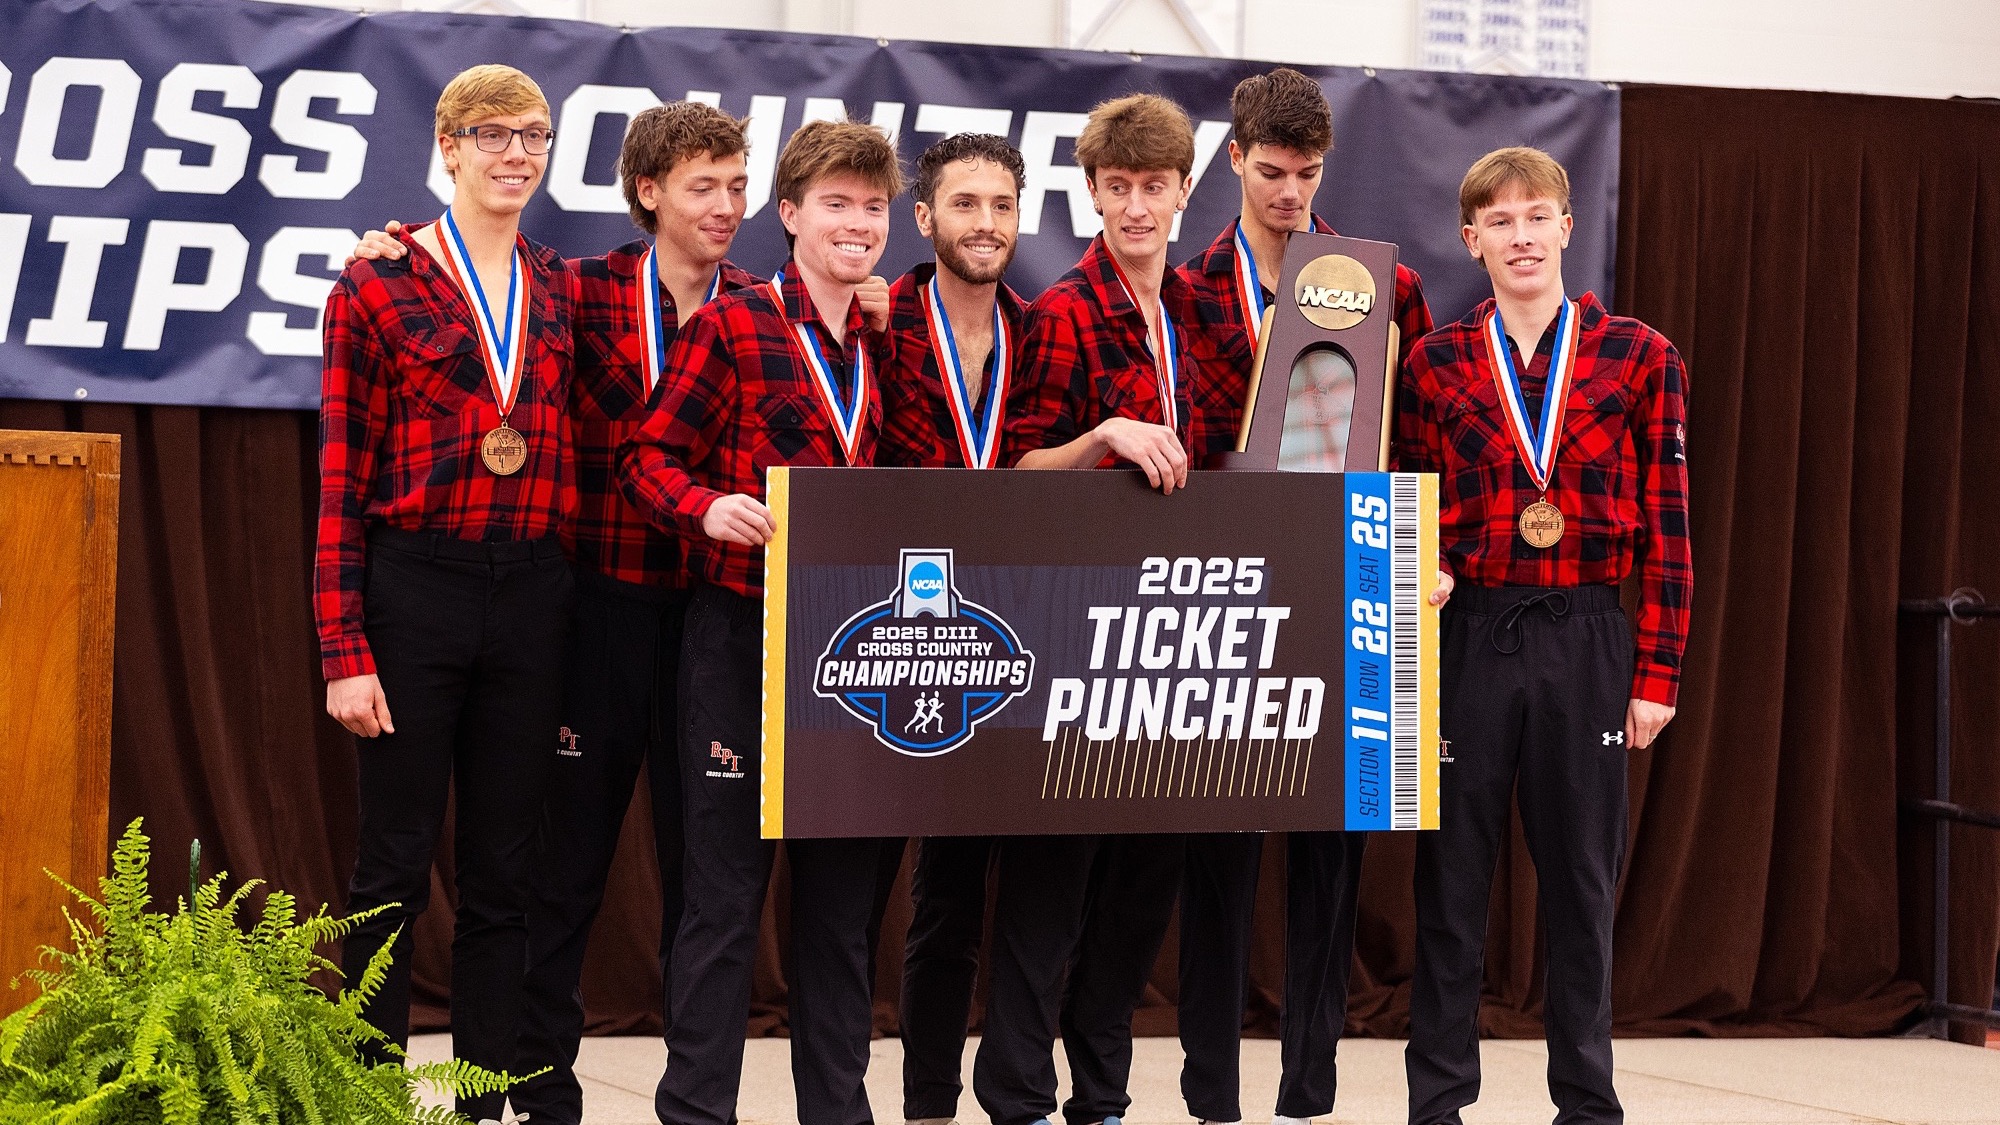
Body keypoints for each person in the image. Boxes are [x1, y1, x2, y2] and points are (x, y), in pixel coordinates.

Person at [1393, 145, 1691, 1125]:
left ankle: (1586, 1105)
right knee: (1450, 886)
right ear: (1468, 238)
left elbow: (1671, 529)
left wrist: (1654, 674)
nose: (1519, 237)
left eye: (1537, 218)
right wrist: (1420, 566)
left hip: (1588, 633)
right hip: (1470, 634)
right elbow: (1405, 504)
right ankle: (1436, 1103)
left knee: (1578, 887)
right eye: (1498, 221)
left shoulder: (1641, 357)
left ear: (1566, 228)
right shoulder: (1434, 362)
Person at [620, 117, 902, 1125]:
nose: (857, 224)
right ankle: (696, 1111)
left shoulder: (884, 335)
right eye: (835, 203)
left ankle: (838, 1110)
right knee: (723, 900)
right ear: (788, 215)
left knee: (838, 913)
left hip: (850, 661)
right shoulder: (734, 326)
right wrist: (704, 508)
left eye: (873, 207)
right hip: (739, 645)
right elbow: (646, 459)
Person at [1172, 67, 1434, 1125]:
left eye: (1307, 173)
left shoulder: (1380, 286)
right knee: (1216, 864)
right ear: (1232, 161)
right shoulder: (1188, 289)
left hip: (1344, 591)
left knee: (1332, 858)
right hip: (1226, 597)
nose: (1288, 192)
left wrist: (1418, 558)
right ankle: (1209, 1097)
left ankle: (1307, 1096)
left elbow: (1407, 445)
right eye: (1270, 171)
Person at [315, 63, 575, 1124]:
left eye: (534, 136)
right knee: (390, 866)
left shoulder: (563, 286)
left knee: (505, 871)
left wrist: (868, 295)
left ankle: (478, 1100)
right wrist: (343, 649)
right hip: (412, 592)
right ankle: (363, 1094)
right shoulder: (372, 284)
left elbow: (699, 298)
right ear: (448, 146)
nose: (517, 153)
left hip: (534, 600)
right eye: (493, 133)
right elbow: (337, 482)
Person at [976, 92, 1213, 1125]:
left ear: (1182, 191)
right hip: (1073, 636)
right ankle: (1019, 1094)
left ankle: (1101, 1098)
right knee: (1047, 887)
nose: (1133, 207)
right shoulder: (1062, 312)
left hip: (1174, 636)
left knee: (1138, 893)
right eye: (1115, 188)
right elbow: (1015, 470)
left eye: (1152, 188)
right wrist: (1104, 434)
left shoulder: (1206, 311)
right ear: (1091, 194)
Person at [872, 131, 1031, 1125]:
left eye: (1001, 205)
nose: (985, 223)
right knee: (914, 899)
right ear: (924, 219)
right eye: (964, 204)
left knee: (990, 885)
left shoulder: (1045, 331)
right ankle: (924, 1103)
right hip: (890, 627)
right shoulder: (874, 324)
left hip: (1014, 629)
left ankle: (1011, 1096)